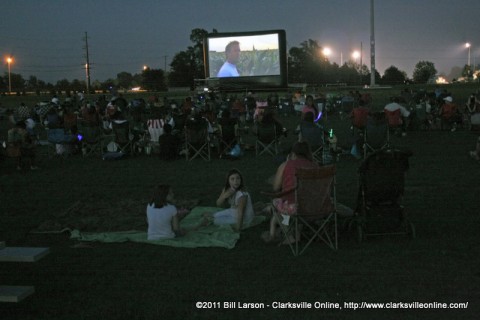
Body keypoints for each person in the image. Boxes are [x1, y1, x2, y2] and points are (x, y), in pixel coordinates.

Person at [262, 141, 318, 243]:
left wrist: (287, 163)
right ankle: (295, 232)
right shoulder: (315, 166)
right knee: (284, 207)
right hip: (315, 208)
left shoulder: (286, 165)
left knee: (279, 204)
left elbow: (275, 188)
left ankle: (289, 236)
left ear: (293, 153)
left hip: (293, 208)